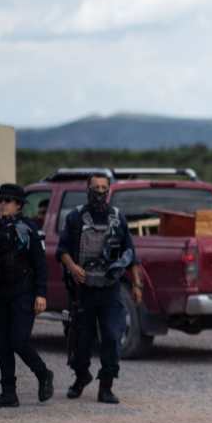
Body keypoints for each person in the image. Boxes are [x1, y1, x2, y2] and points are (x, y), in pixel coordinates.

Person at [56, 173, 142, 404]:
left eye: (104, 187)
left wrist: (137, 285)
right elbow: (61, 250)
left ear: (109, 190)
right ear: (88, 189)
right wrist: (73, 267)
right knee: (81, 341)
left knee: (112, 337)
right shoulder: (75, 217)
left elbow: (131, 254)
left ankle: (106, 386)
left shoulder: (117, 218)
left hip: (110, 289)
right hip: (83, 290)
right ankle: (81, 377)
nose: (100, 192)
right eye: (96, 187)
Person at [0, 183, 55, 408]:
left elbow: (40, 264)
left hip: (23, 293)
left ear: (19, 205)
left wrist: (41, 294)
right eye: (0, 201)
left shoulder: (28, 229)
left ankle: (43, 374)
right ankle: (8, 393)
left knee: (19, 341)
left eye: (7, 201)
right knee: (2, 344)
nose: (2, 205)